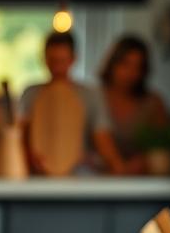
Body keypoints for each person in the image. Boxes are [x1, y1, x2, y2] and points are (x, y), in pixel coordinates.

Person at [19, 31, 126, 175]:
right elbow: (20, 136)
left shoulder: (90, 94)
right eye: (53, 60)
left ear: (73, 59)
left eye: (62, 61)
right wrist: (29, 156)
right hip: (39, 175)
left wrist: (118, 168)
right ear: (44, 59)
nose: (57, 67)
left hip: (80, 175)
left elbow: (103, 139)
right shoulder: (30, 93)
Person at [98, 35, 170, 174]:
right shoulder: (96, 98)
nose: (131, 73)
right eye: (125, 64)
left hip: (139, 180)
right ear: (113, 63)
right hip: (98, 179)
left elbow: (163, 146)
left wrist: (143, 161)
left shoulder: (152, 103)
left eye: (137, 67)